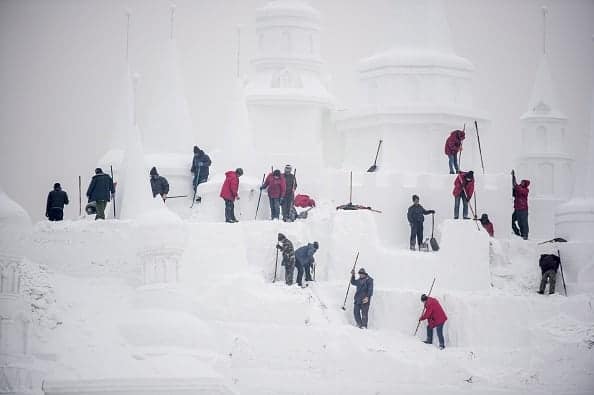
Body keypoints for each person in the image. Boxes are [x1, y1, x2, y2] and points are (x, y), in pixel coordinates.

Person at [511, 170, 530, 240]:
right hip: (517, 209)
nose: (521, 183)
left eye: (523, 182)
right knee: (511, 221)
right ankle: (518, 233)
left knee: (523, 223)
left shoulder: (525, 190)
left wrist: (513, 177)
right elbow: (514, 191)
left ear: (525, 184)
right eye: (521, 181)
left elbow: (517, 187)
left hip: (523, 210)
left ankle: (525, 235)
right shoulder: (518, 188)